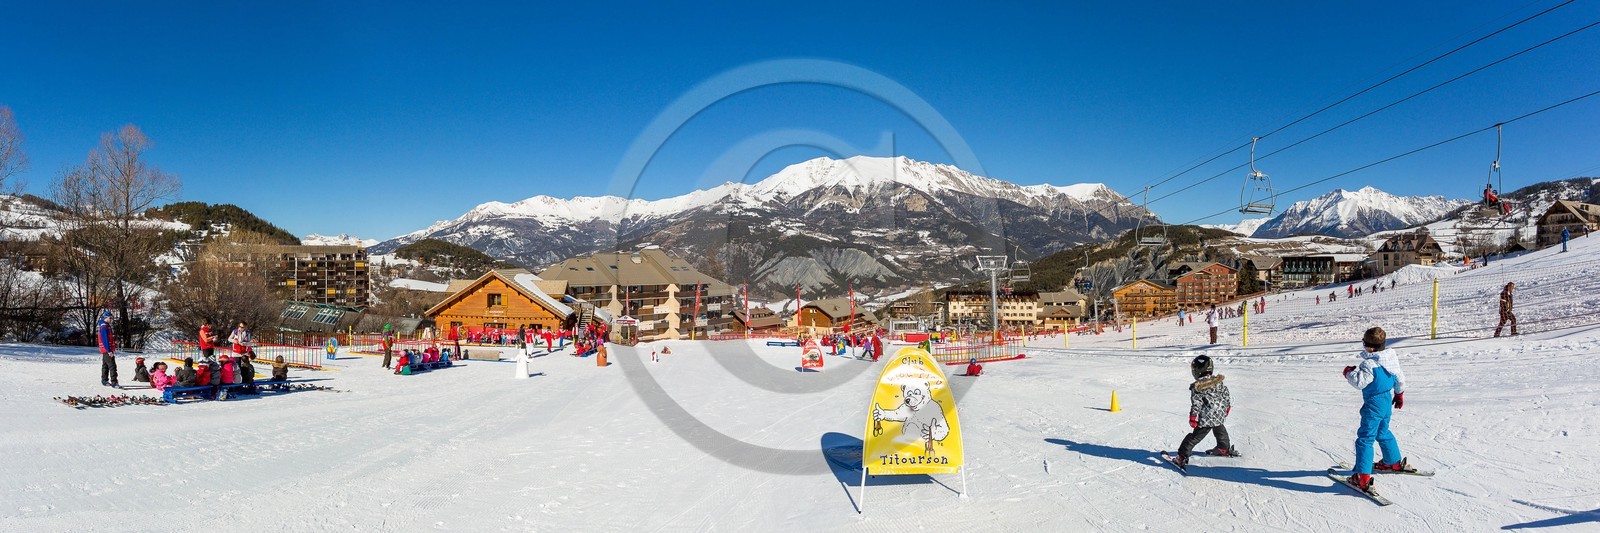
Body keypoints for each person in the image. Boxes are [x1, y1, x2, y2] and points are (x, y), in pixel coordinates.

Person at [1343, 327, 1410, 493]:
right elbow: (1400, 378)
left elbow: (1359, 383)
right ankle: (1393, 461)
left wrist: (1348, 373)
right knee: (1383, 431)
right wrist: (1399, 394)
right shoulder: (1391, 359)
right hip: (1387, 401)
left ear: (1370, 347)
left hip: (1373, 404)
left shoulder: (1369, 364)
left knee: (1366, 438)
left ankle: (1362, 477)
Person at [1172, 355, 1235, 468]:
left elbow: (1197, 403)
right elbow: (1226, 395)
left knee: (1194, 437)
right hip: (1219, 414)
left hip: (1206, 417)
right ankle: (1223, 448)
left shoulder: (1198, 387)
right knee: (1220, 429)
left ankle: (1182, 456)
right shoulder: (1218, 382)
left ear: (1198, 371)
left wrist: (1193, 417)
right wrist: (1227, 408)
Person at [97, 312, 119, 388]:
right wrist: (109, 350)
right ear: (105, 317)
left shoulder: (106, 326)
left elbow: (109, 338)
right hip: (107, 350)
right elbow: (105, 339)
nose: (111, 319)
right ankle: (114, 383)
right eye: (110, 318)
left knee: (105, 365)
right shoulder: (104, 327)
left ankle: (104, 380)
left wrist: (114, 343)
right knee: (112, 366)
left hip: (106, 349)